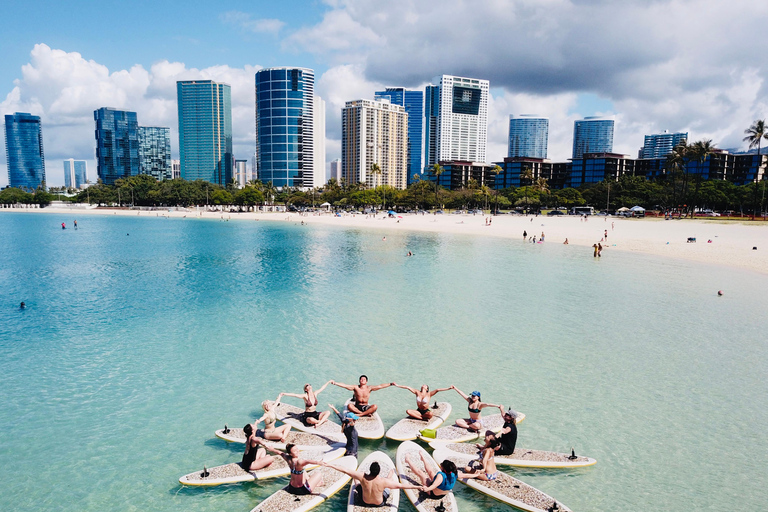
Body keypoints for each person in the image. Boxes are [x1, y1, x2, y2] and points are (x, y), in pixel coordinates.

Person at [323, 459, 422, 507]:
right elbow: (401, 485)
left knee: (355, 480)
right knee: (389, 485)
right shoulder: (383, 481)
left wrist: (330, 465)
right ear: (379, 472)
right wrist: (417, 487)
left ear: (369, 470)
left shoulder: (363, 476)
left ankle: (389, 476)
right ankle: (389, 475)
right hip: (379, 503)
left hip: (364, 501)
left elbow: (345, 470)